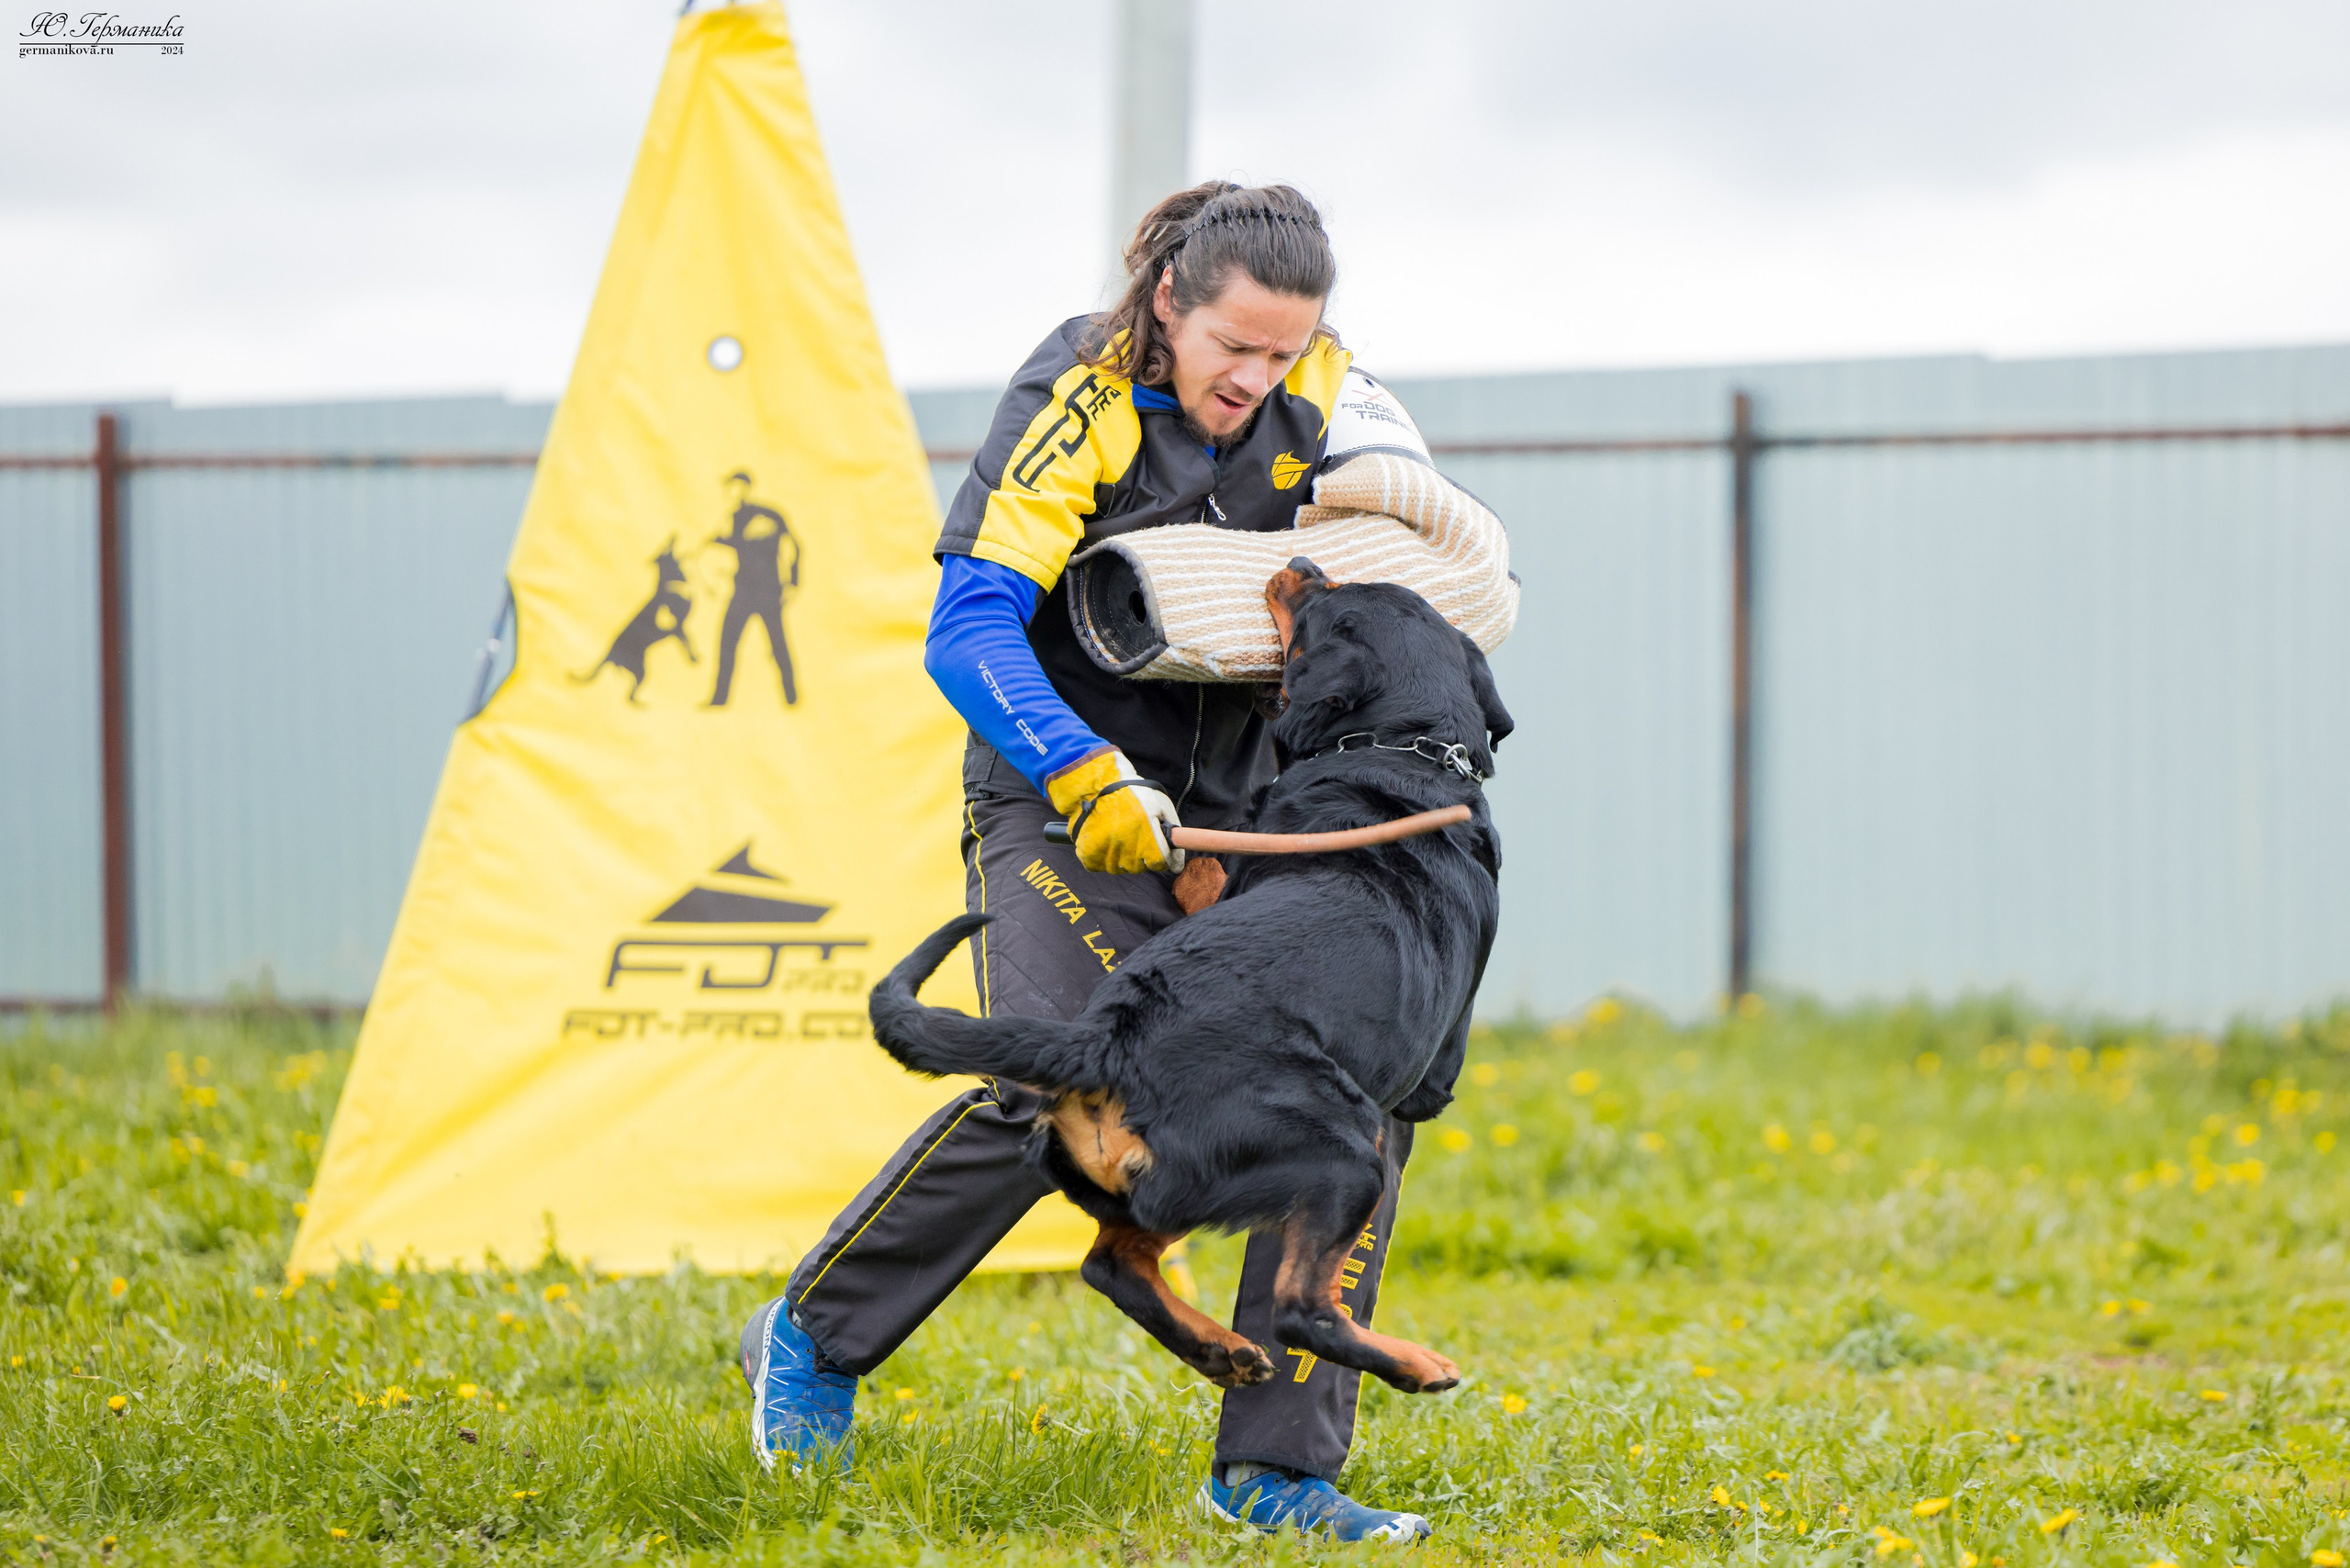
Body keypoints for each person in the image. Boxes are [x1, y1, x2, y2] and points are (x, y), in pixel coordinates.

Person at [741, 182, 1460, 1543]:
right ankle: (814, 1340)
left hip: (1252, 806)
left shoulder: (1333, 391)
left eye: (1284, 350)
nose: (1257, 378)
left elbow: (1430, 560)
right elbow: (966, 626)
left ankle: (1277, 1469)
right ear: (1168, 306)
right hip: (1062, 786)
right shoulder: (1081, 390)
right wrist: (1082, 771)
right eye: (1231, 347)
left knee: (1351, 1099)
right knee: (1054, 1075)